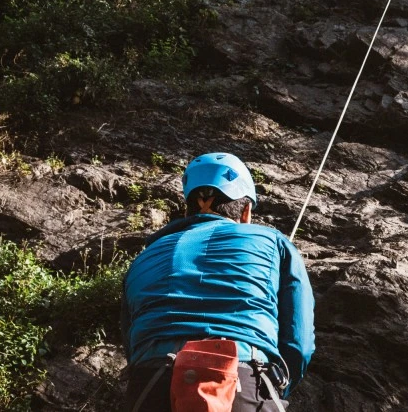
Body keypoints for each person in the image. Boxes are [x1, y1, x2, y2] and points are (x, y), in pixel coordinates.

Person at [122, 152, 315, 412]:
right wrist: (276, 386)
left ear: (188, 208)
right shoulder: (274, 243)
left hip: (151, 384)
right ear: (246, 211)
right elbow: (298, 341)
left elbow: (131, 337)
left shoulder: (144, 257)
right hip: (244, 380)